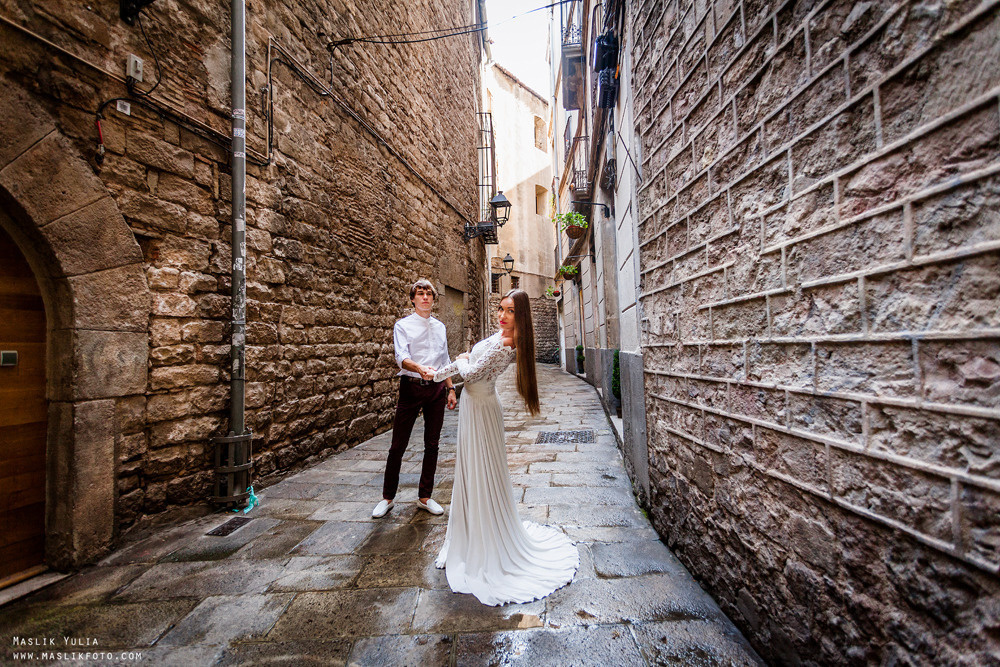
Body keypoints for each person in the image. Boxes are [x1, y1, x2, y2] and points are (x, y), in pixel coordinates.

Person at [432, 289, 578, 606]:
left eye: (510, 311)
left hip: (482, 409)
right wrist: (436, 374)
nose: (502, 315)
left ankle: (482, 541)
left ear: (520, 316)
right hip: (475, 406)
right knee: (469, 471)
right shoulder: (499, 335)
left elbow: (470, 371)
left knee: (482, 472)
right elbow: (467, 369)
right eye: (501, 308)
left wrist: (456, 362)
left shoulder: (506, 344)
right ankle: (466, 534)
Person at [372, 279, 457, 519]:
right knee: (398, 445)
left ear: (433, 299)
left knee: (432, 444)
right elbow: (401, 357)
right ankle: (387, 498)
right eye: (420, 294)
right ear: (413, 299)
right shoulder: (403, 325)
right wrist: (420, 369)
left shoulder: (440, 327)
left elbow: (445, 359)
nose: (425, 298)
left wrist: (450, 388)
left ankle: (425, 497)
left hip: (437, 388)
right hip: (411, 387)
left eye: (429, 294)